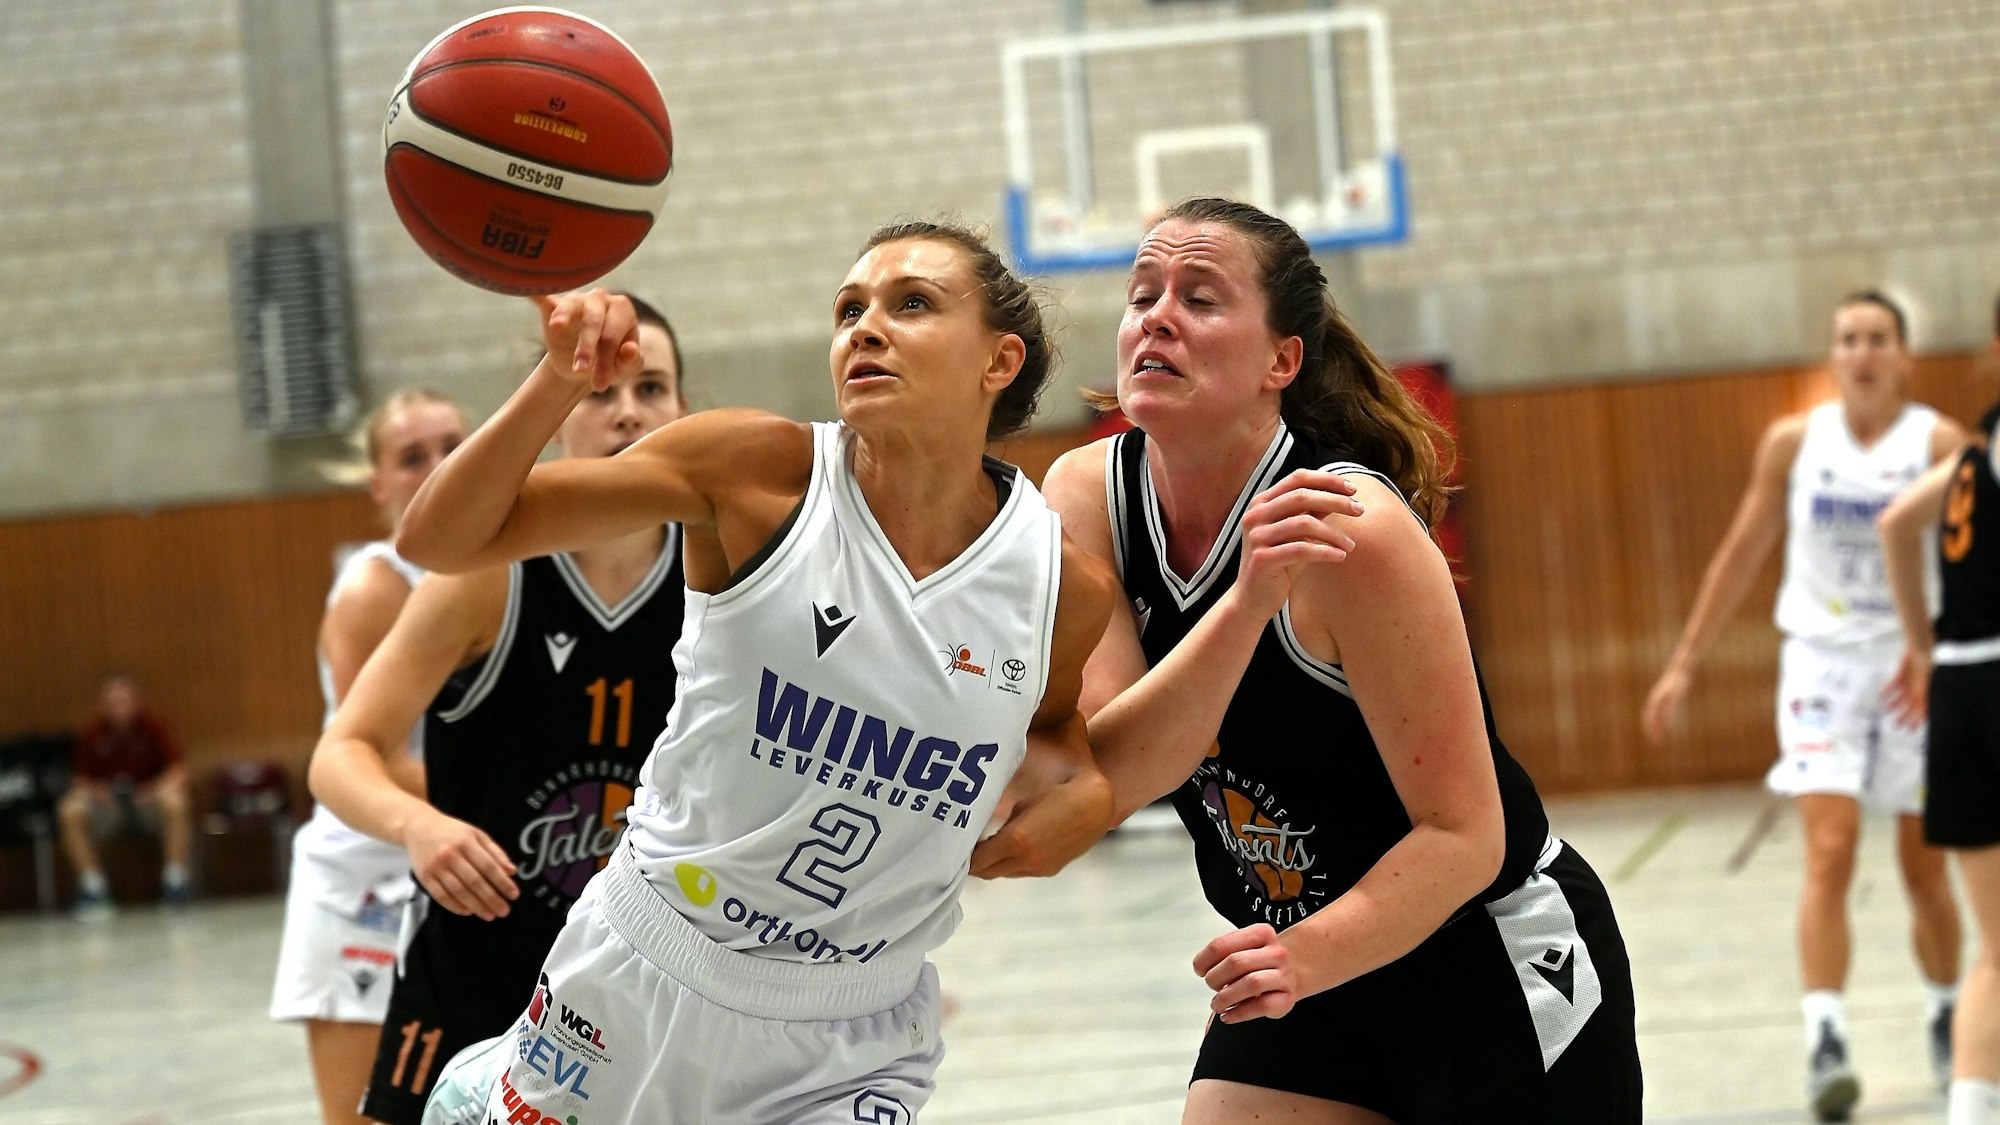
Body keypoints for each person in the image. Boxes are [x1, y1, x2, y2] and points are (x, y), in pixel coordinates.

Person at [392, 221, 1117, 1124]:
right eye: (848, 309)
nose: (864, 327)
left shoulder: (1060, 585)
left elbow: (1051, 729)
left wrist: (1087, 789)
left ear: (999, 360)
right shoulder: (755, 469)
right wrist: (558, 383)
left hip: (856, 1028)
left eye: (912, 304)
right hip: (647, 973)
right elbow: (435, 539)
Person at [1026, 197, 1641, 1122]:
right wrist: (1243, 605)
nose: (1156, 315)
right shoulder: (1087, 492)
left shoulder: (1354, 530)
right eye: (1142, 293)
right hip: (1299, 961)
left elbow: (1464, 835)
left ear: (1283, 359)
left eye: (1200, 297)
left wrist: (1303, 957)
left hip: (1480, 955)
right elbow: (1114, 765)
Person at [308, 294, 691, 1125]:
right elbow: (341, 750)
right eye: (601, 392)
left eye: (652, 388)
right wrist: (419, 826)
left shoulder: (720, 576)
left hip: (637, 984)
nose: (627, 410)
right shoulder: (487, 575)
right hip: (474, 972)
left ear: (686, 413)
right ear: (559, 420)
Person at [1642, 289, 1971, 1118]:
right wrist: (1684, 662)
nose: (1861, 352)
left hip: (1912, 667)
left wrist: (1953, 657)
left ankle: (1944, 1011)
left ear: (1903, 356)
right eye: (1847, 338)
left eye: (1877, 338)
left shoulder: (1939, 443)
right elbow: (1744, 549)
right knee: (1830, 846)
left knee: (1925, 866)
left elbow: (1977, 562)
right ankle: (1826, 1035)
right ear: (1833, 356)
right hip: (1820, 665)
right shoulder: (1796, 443)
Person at [269, 388, 468, 1125]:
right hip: (365, 879)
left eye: (452, 443)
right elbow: (363, 757)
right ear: (378, 485)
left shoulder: (507, 567)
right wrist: (501, 785)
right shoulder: (374, 588)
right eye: (412, 456)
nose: (439, 465)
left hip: (457, 856)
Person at [1880, 291, 2000, 1125]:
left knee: (1996, 949)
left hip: (1960, 688)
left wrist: (1924, 646)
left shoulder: (1971, 456)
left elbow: (1896, 523)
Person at [57, 672, 193, 917]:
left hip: (147, 803)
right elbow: (80, 779)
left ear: (135, 700)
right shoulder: (93, 732)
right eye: (112, 702)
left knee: (176, 801)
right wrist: (98, 792)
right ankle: (93, 888)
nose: (118, 707)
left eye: (123, 700)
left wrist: (152, 791)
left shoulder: (154, 728)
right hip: (108, 807)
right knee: (70, 809)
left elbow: (178, 771)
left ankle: (175, 882)